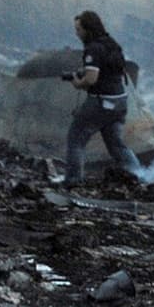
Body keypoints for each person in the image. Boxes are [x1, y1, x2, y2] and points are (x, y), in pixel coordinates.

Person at [63, 10, 141, 187]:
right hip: (120, 101)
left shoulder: (92, 48)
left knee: (76, 139)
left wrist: (77, 82)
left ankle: (73, 181)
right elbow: (110, 69)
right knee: (116, 145)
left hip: (101, 102)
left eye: (79, 29)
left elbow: (91, 80)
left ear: (88, 29)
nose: (77, 34)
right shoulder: (111, 43)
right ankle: (138, 177)